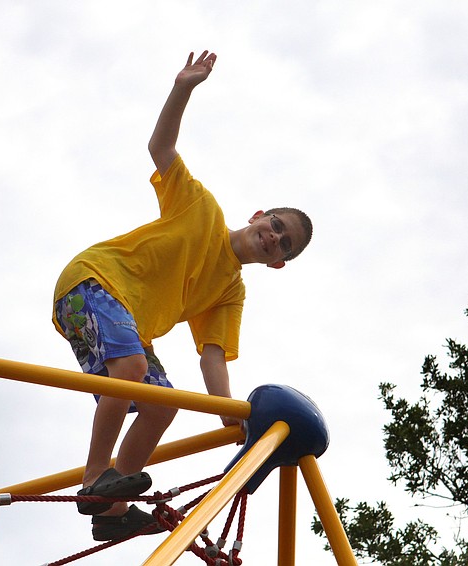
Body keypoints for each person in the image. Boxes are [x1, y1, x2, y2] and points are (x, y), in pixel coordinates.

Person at [52, 50, 313, 541]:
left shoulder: (230, 291)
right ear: (258, 215)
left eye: (285, 244)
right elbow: (160, 147)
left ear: (278, 263)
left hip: (125, 321)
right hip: (94, 282)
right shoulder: (201, 207)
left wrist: (234, 421)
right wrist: (183, 88)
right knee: (130, 372)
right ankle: (95, 479)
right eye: (275, 225)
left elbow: (213, 359)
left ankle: (109, 511)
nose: (275, 237)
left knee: (162, 403)